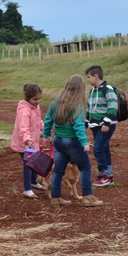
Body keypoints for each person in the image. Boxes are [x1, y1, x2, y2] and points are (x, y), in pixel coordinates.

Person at [43, 75, 103, 208]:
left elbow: (48, 120)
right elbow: (78, 125)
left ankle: (56, 198)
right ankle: (87, 197)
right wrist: (84, 142)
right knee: (85, 167)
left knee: (58, 170)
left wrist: (46, 135)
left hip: (58, 140)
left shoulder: (55, 103)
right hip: (72, 142)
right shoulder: (77, 106)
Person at [85, 65, 119, 188]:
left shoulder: (108, 89)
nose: (88, 79)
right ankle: (108, 175)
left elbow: (113, 106)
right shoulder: (92, 91)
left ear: (96, 76)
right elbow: (89, 108)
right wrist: (86, 122)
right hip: (95, 125)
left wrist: (107, 122)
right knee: (104, 149)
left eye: (89, 77)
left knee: (98, 148)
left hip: (105, 125)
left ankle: (105, 175)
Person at [10, 83, 45, 198]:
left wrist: (43, 128)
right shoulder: (24, 110)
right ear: (28, 98)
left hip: (33, 141)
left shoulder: (35, 107)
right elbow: (23, 127)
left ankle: (33, 182)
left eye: (39, 99)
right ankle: (27, 189)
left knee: (34, 162)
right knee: (28, 164)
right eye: (35, 99)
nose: (37, 101)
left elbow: (38, 120)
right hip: (24, 143)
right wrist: (27, 140)